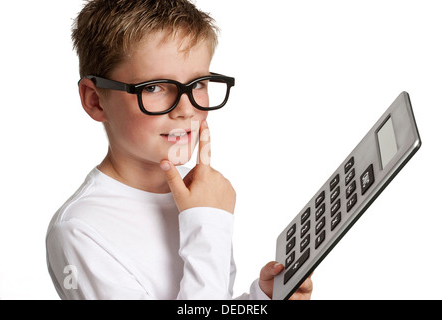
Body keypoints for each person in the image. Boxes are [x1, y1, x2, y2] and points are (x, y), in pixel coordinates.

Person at [46, 0, 313, 300]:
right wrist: (207, 225)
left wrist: (261, 300)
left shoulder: (197, 191)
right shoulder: (79, 230)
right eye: (154, 87)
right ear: (95, 100)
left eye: (198, 83)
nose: (186, 110)